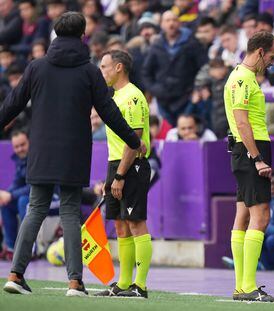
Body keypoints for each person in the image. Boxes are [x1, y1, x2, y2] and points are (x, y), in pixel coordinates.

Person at [0, 12, 144, 296]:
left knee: (35, 209)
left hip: (40, 149)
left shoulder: (36, 66)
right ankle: (75, 282)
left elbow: (12, 104)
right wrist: (133, 139)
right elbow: (108, 111)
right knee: (69, 211)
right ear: (82, 36)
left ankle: (15, 275)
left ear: (55, 34)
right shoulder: (89, 71)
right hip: (74, 151)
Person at [223, 31, 274, 302]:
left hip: (241, 149)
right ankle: (248, 286)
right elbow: (243, 122)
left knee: (242, 215)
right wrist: (257, 158)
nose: (272, 62)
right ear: (259, 52)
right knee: (261, 216)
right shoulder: (244, 79)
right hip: (251, 149)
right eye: (271, 56)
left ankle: (241, 286)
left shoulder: (237, 76)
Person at [95, 50, 152, 298]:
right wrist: (112, 175)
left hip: (132, 165)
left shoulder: (133, 97)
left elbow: (134, 140)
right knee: (119, 225)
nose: (101, 71)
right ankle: (123, 283)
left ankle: (140, 286)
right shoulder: (115, 97)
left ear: (119, 67)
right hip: (115, 164)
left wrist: (119, 176)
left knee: (135, 222)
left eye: (105, 66)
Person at [141, 11, 207, 126]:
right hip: (163, 100)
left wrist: (198, 87)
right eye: (167, 20)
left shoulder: (192, 43)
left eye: (174, 20)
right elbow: (146, 72)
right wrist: (155, 89)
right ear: (161, 24)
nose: (171, 24)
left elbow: (204, 66)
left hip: (187, 98)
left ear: (179, 23)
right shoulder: (156, 45)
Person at [0, 130, 30, 260]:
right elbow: (17, 183)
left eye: (22, 145)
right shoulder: (21, 160)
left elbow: (34, 186)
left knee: (22, 201)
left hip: (53, 198)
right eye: (16, 147)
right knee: (6, 204)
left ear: (30, 142)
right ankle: (11, 248)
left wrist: (11, 195)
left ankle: (27, 249)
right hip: (31, 198)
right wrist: (6, 194)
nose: (20, 149)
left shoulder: (37, 157)